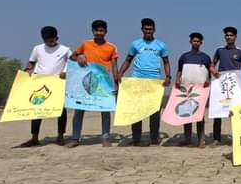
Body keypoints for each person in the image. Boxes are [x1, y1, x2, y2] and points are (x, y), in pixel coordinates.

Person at [119, 18, 170, 146]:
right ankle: (136, 138)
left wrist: (168, 76)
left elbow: (166, 62)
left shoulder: (161, 45)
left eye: (150, 29)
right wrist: (120, 73)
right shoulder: (135, 44)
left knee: (154, 111)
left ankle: (154, 138)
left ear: (154, 30)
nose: (148, 31)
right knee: (137, 110)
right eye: (146, 29)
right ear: (142, 29)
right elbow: (128, 59)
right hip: (137, 80)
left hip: (154, 81)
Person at [67, 19, 119, 148]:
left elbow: (114, 67)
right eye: (96, 30)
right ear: (92, 31)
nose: (99, 33)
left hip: (103, 83)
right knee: (79, 110)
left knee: (105, 110)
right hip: (85, 81)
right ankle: (75, 138)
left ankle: (105, 138)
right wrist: (79, 57)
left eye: (101, 30)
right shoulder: (85, 44)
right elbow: (72, 57)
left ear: (106, 31)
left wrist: (116, 83)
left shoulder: (111, 47)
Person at [19, 26, 71, 147]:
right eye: (47, 40)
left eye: (52, 40)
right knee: (37, 110)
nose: (50, 42)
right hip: (40, 83)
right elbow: (31, 62)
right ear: (43, 39)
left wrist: (66, 71)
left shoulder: (65, 49)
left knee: (60, 110)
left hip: (58, 83)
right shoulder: (37, 49)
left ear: (57, 38)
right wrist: (27, 70)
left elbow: (72, 62)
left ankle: (60, 136)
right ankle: (35, 137)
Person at [209, 26, 241, 146]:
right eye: (227, 35)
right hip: (222, 84)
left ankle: (239, 136)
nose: (229, 37)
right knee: (219, 110)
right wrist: (214, 72)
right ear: (225, 37)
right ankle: (217, 139)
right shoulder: (219, 50)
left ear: (235, 37)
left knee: (238, 110)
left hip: (236, 85)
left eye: (231, 35)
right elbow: (212, 65)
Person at [175, 32, 211, 148]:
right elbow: (179, 70)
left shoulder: (205, 57)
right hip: (186, 90)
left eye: (198, 41)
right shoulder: (184, 56)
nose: (196, 43)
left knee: (199, 115)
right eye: (194, 41)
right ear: (190, 42)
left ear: (201, 43)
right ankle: (187, 138)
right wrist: (177, 79)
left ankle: (201, 140)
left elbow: (209, 72)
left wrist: (208, 80)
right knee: (187, 113)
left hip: (200, 91)